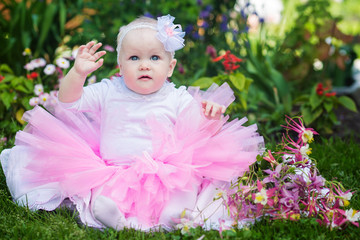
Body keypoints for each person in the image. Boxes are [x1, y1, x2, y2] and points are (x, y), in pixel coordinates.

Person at [0, 15, 264, 231]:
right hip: (114, 170)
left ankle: (175, 215)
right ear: (119, 65)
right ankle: (113, 218)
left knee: (183, 185)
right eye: (134, 58)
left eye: (154, 58)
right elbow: (68, 102)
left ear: (170, 67)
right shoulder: (108, 90)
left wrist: (210, 116)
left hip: (166, 172)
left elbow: (199, 134)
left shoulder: (177, 97)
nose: (144, 65)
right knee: (101, 196)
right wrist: (77, 73)